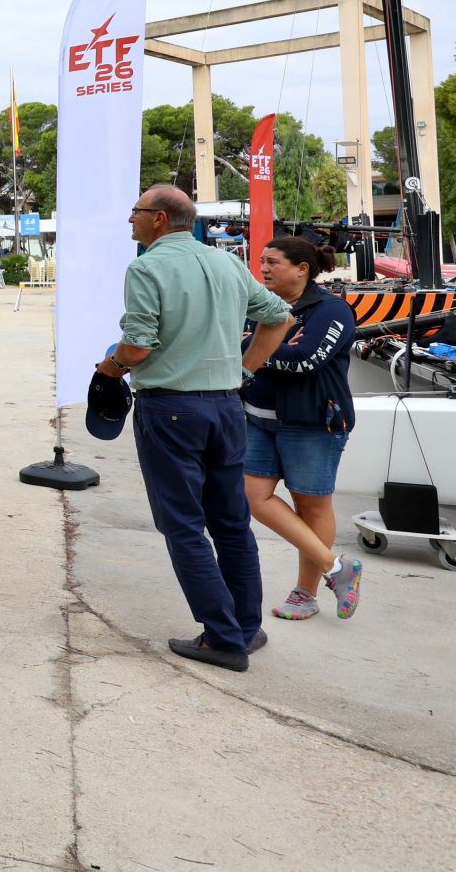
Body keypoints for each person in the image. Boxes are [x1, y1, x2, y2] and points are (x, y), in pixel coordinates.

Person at [100, 184, 293, 671]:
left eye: (136, 212)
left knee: (184, 525)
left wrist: (110, 368)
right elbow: (279, 317)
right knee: (231, 523)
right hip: (227, 407)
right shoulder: (227, 262)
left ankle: (222, 638)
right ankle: (246, 629)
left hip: (171, 410)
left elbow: (139, 345)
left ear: (160, 219)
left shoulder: (146, 267)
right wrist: (245, 371)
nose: (130, 221)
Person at [244, 237, 362, 623]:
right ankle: (335, 566)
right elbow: (237, 345)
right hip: (257, 418)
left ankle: (305, 593)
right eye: (261, 261)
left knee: (311, 506)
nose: (263, 268)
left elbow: (305, 360)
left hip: (312, 422)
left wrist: (257, 348)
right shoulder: (259, 305)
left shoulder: (332, 310)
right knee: (253, 497)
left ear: (302, 268)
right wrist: (267, 344)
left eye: (273, 262)